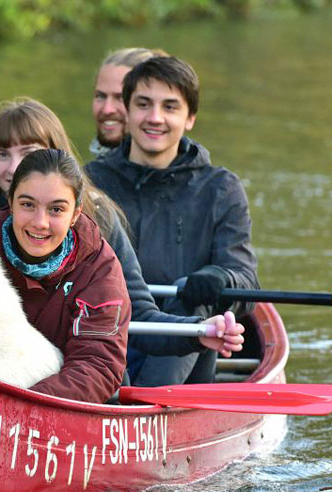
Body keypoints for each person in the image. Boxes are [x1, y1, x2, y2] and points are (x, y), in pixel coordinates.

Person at [0, 98, 245, 385]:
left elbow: (138, 313)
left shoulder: (98, 233)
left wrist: (198, 330)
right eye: (2, 154)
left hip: (79, 379)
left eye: (29, 152)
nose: (13, 166)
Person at [86, 56, 260, 387]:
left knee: (194, 298)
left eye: (170, 107)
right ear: (128, 110)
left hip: (184, 355)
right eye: (143, 104)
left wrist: (219, 276)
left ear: (190, 118)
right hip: (108, 340)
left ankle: (140, 406)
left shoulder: (221, 188)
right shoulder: (90, 182)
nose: (155, 118)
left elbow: (247, 284)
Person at [0, 149, 130, 403]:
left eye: (56, 209)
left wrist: (19, 405)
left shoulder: (100, 269)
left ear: (76, 214)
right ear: (10, 202)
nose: (40, 222)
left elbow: (97, 364)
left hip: (48, 402)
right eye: (28, 205)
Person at [91, 47, 168, 158]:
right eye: (100, 96)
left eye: (121, 98)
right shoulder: (90, 170)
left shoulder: (189, 173)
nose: (107, 109)